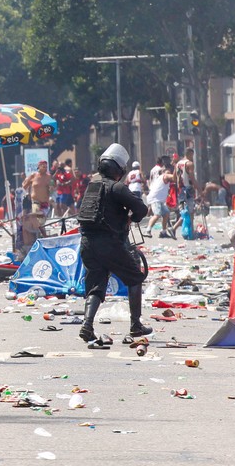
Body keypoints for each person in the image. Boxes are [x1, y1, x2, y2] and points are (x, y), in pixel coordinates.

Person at [77, 143, 151, 344]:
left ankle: (87, 324)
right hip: (109, 244)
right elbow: (141, 209)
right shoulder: (117, 187)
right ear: (119, 169)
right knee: (135, 278)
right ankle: (136, 325)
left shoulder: (92, 185)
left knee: (96, 286)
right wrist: (131, 216)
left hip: (87, 244)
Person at [144, 162, 174, 238]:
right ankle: (147, 230)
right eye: (167, 171)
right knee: (157, 215)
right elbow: (173, 177)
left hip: (159, 200)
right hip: (155, 199)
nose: (168, 173)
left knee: (166, 213)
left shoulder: (163, 177)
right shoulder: (164, 176)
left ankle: (163, 232)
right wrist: (176, 170)